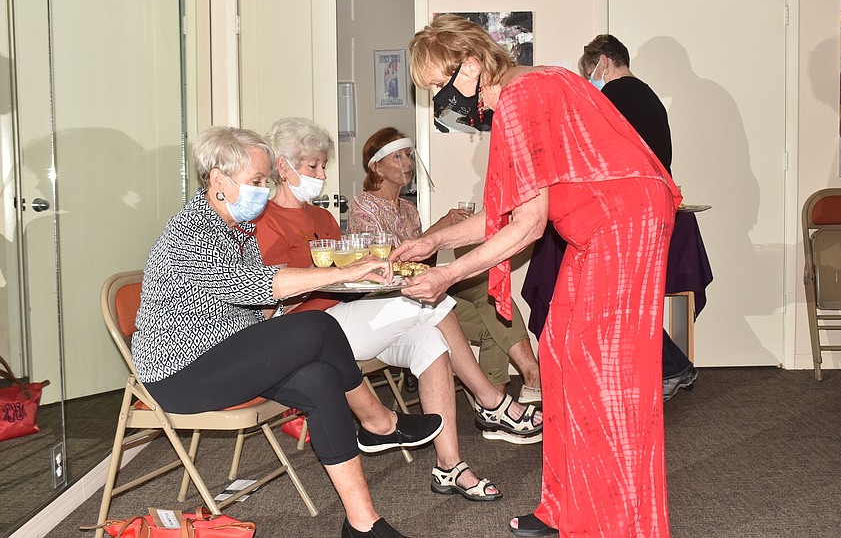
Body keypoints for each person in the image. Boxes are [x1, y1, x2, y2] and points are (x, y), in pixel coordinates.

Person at [398, 15, 682, 537]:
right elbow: (507, 211)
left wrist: (447, 276)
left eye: (441, 83)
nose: (440, 98)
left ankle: (615, 522)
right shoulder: (527, 89)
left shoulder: (521, 98)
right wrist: (435, 241)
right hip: (605, 223)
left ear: (474, 63)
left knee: (607, 378)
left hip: (622, 223)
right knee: (559, 352)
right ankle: (566, 509)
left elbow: (526, 227)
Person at [131, 126, 445, 538]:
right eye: (257, 181)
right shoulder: (191, 232)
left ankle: (363, 524)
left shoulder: (234, 228)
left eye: (266, 181)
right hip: (181, 375)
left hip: (227, 354)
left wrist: (290, 305)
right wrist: (347, 271)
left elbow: (252, 304)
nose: (265, 190)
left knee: (320, 378)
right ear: (219, 180)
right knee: (319, 324)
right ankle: (380, 422)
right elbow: (255, 284)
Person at [254, 119, 543, 499]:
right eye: (313, 167)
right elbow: (270, 296)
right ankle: (490, 401)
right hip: (309, 330)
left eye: (324, 165)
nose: (323, 174)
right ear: (282, 166)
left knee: (431, 343)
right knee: (429, 301)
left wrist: (361, 273)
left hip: (349, 314)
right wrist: (339, 275)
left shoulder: (323, 218)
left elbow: (350, 277)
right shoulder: (266, 221)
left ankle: (450, 466)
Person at [346, 127, 542, 409]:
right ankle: (495, 403)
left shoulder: (408, 208)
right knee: (489, 325)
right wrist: (441, 227)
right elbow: (386, 265)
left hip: (415, 288)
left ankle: (518, 382)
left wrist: (444, 232)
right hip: (390, 298)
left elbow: (420, 262)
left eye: (409, 155)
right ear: (376, 167)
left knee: (491, 290)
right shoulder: (362, 208)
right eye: (397, 157)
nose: (407, 163)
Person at [579, 34, 699, 401]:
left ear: (603, 61)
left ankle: (670, 368)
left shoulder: (613, 98)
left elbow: (598, 158)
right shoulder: (648, 97)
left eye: (589, 72)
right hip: (653, 207)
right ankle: (673, 366)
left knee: (622, 300)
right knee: (629, 297)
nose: (589, 81)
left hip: (630, 212)